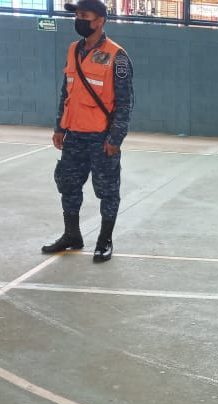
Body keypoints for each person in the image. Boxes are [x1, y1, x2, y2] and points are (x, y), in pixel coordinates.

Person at [42, 0, 134, 263]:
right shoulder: (73, 50)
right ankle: (72, 235)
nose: (79, 19)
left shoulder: (117, 56)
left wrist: (115, 138)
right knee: (68, 184)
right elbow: (66, 92)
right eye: (77, 15)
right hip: (74, 135)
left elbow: (125, 103)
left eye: (84, 15)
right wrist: (60, 126)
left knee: (107, 190)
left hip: (101, 138)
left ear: (100, 20)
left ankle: (105, 241)